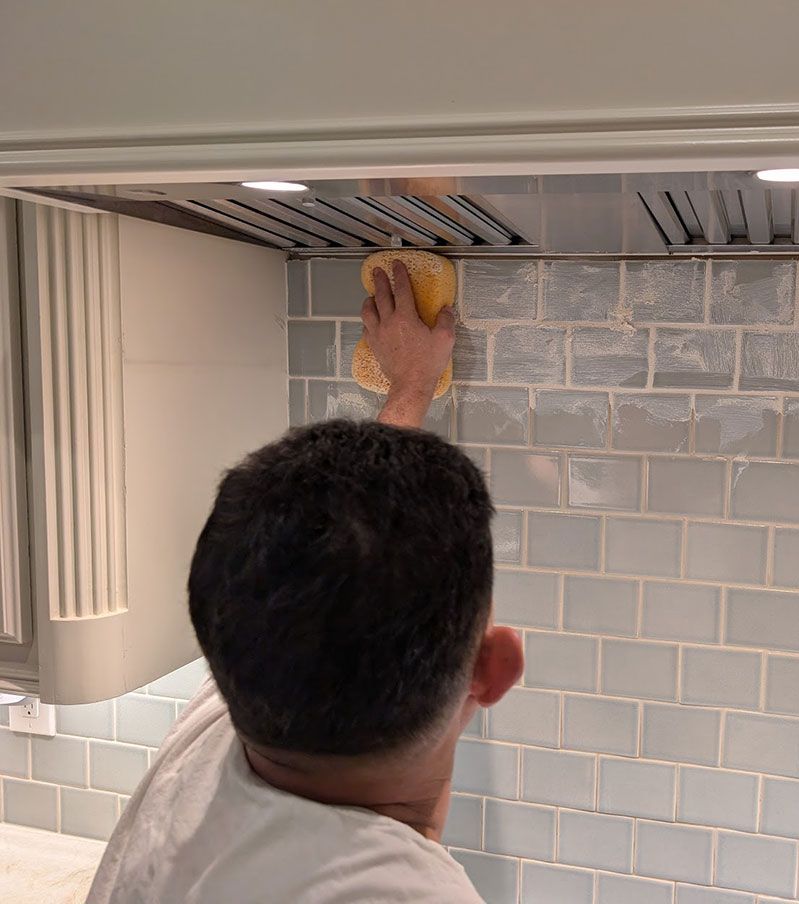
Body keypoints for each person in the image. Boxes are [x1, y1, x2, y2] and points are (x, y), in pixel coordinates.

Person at [86, 262, 522, 903]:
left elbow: (332, 551)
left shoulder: (207, 752)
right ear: (494, 668)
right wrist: (415, 380)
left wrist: (411, 387)